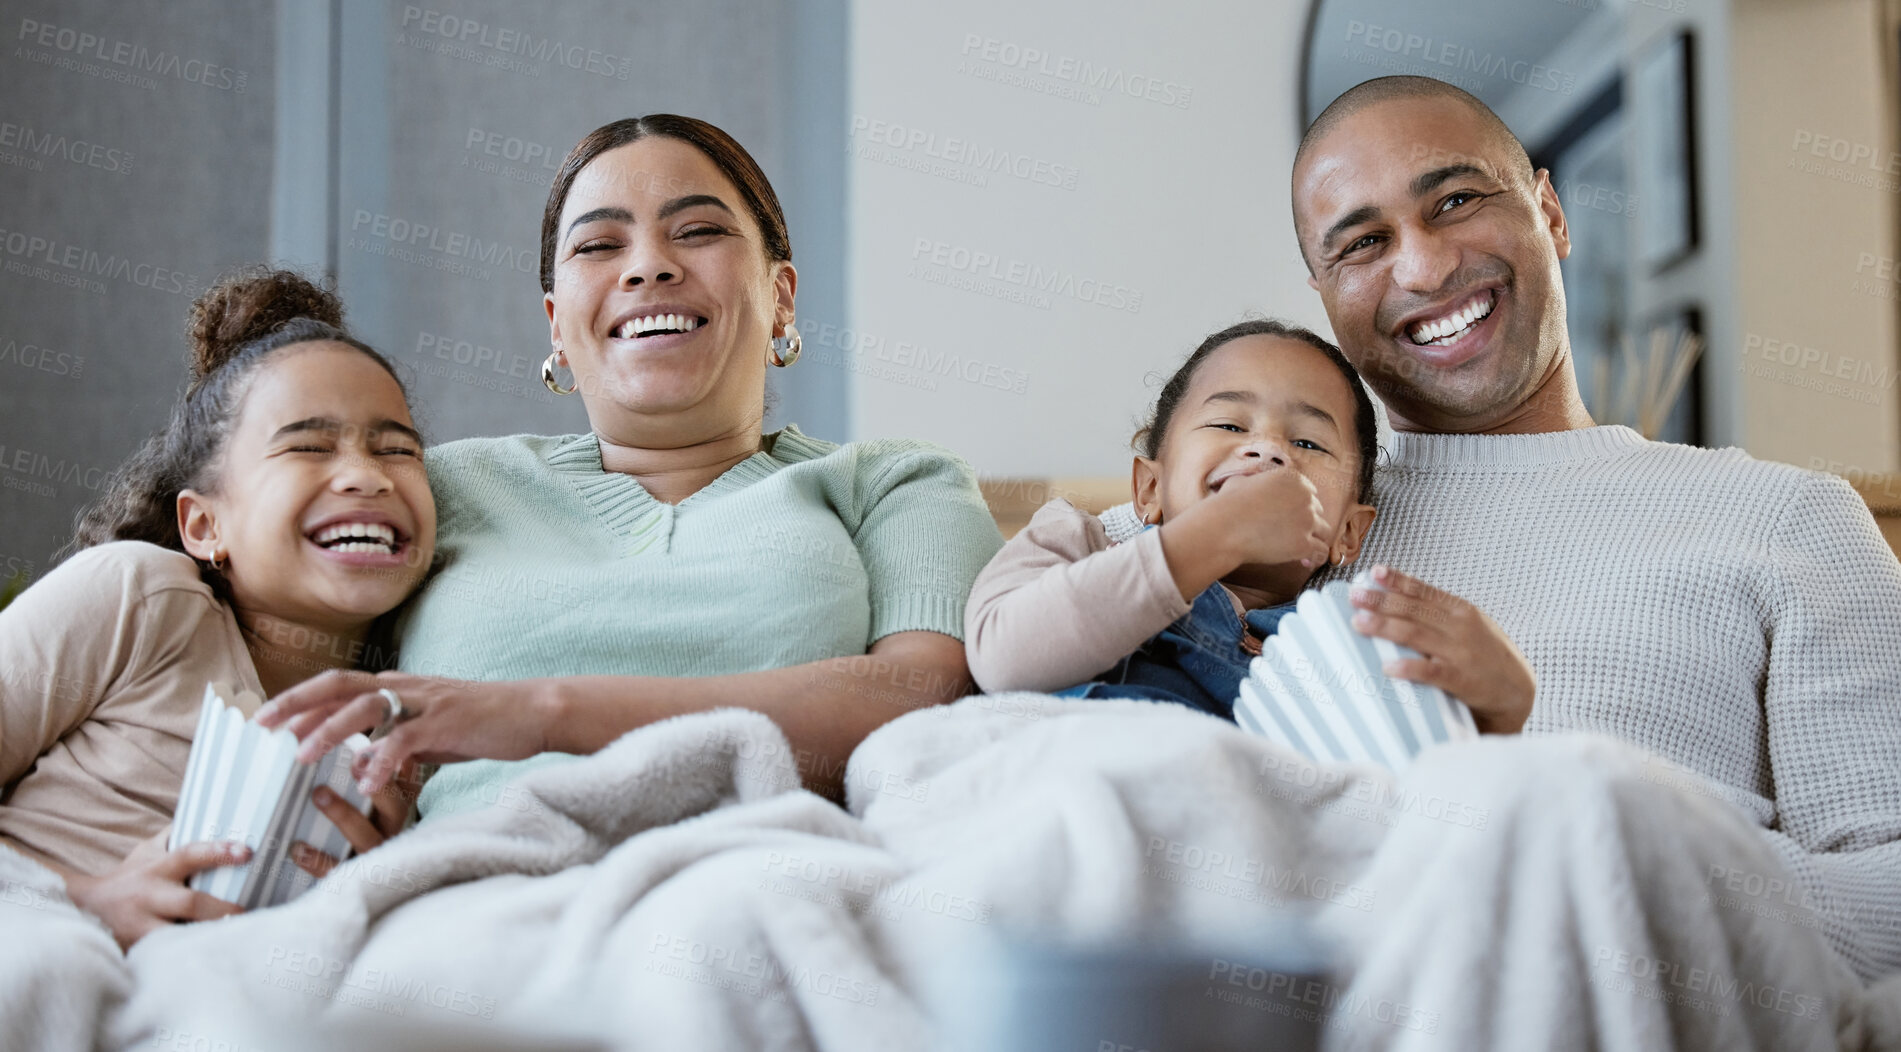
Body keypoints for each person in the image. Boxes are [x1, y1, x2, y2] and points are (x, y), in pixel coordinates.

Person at [1100, 75, 1901, 982]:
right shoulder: (1236, 499)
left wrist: (1600, 865)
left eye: (1455, 201)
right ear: (1324, 293)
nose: (1424, 268)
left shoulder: (1786, 520)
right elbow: (1012, 709)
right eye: (1363, 243)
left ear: (1549, 212)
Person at [258, 115, 1004, 824]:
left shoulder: (898, 484)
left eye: (699, 231)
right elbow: (259, 645)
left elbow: (919, 701)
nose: (649, 266)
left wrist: (540, 713)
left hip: (774, 880)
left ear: (780, 299)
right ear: (556, 323)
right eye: (598, 246)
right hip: (473, 893)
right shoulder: (441, 486)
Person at [0, 269, 435, 948]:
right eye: (308, 447)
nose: (367, 475)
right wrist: (88, 899)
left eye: (397, 449)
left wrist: (372, 883)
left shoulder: (401, 724)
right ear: (205, 527)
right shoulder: (143, 599)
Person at [965, 319, 1534, 731]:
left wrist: (1501, 713)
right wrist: (1215, 535)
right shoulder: (1079, 541)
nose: (1266, 450)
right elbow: (1002, 658)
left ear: (1348, 534)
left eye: (1307, 442)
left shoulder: (1350, 642)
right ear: (1149, 488)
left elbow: (1404, 789)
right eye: (1229, 425)